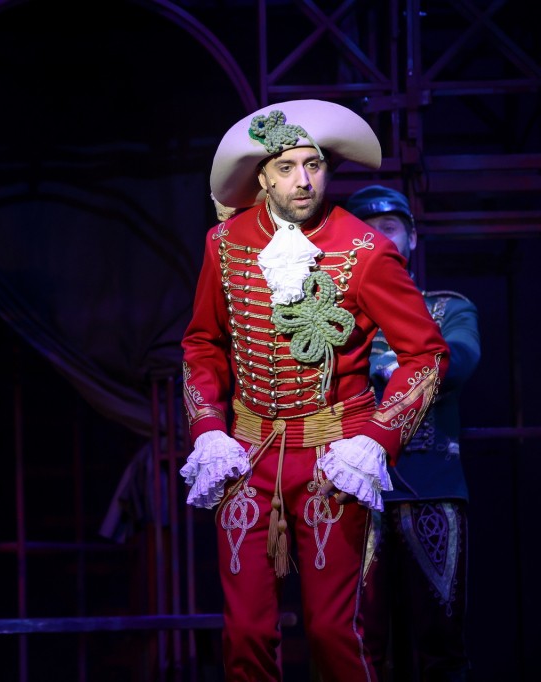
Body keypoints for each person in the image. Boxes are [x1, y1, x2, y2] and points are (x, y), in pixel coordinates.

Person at [178, 100, 450, 681]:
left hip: (333, 458)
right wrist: (207, 428)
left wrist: (376, 439)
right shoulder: (223, 244)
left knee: (334, 632)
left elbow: (426, 354)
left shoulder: (364, 250)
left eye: (314, 165)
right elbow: (201, 345)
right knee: (246, 633)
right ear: (262, 177)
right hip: (247, 456)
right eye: (287, 167)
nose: (303, 180)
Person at [346, 185, 479, 682]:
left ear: (412, 237)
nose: (380, 239)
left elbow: (458, 362)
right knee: (353, 641)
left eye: (390, 228)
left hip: (430, 486)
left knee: (441, 641)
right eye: (367, 231)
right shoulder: (330, 319)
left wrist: (382, 368)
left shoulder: (446, 309)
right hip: (352, 490)